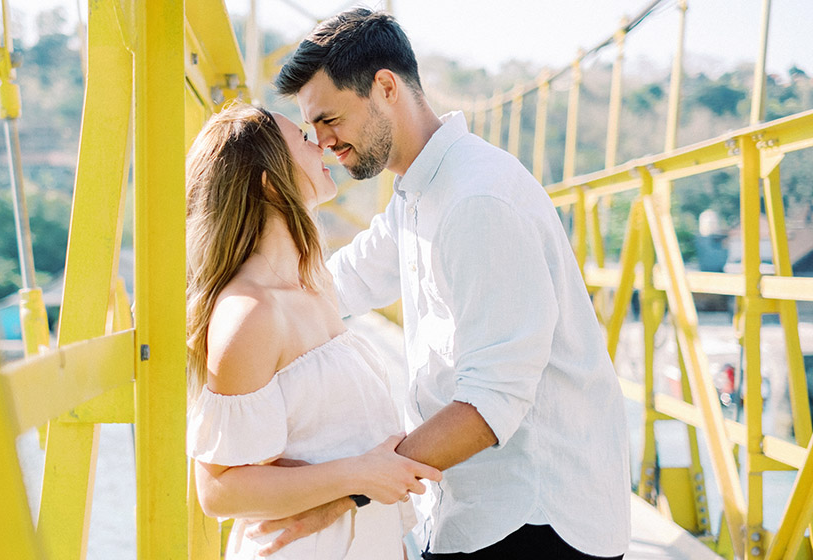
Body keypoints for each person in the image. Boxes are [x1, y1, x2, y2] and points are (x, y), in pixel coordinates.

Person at [248, 8, 631, 559]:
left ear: (384, 87)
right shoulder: (420, 189)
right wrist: (235, 306)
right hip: (479, 510)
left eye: (330, 119)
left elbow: (491, 401)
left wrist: (341, 491)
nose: (325, 143)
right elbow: (347, 281)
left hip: (536, 520)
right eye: (312, 130)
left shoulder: (477, 200)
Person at [185, 102, 442, 559]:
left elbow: (349, 445)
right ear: (270, 182)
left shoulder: (315, 286)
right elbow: (218, 490)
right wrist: (357, 476)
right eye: (303, 139)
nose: (321, 143)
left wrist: (355, 489)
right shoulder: (250, 314)